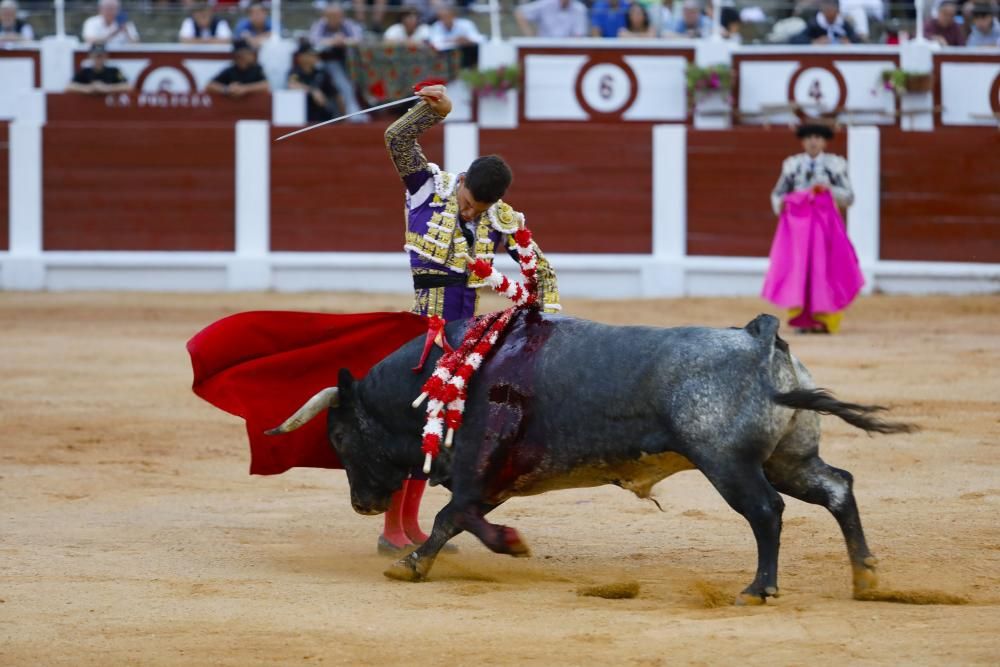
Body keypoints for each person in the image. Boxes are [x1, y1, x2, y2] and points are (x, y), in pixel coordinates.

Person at [380, 84, 559, 554]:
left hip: (467, 329)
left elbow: (537, 266)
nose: (468, 211)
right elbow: (397, 140)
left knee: (444, 427)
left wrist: (541, 306)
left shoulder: (499, 216)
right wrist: (433, 111)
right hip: (422, 323)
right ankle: (391, 527)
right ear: (461, 183)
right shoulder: (426, 187)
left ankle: (414, 523)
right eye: (467, 201)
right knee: (413, 421)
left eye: (477, 209)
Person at [763, 123, 862, 335]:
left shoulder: (835, 165)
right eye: (809, 137)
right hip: (799, 230)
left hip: (826, 228)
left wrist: (828, 190)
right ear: (803, 141)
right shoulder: (792, 165)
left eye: (817, 137)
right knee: (799, 270)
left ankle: (824, 319)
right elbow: (777, 195)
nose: (813, 141)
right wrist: (788, 205)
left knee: (825, 269)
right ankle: (802, 320)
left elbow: (849, 196)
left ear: (825, 141)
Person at [309, 3, 365, 120]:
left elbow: (359, 39)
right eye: (331, 16)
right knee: (343, 83)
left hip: (349, 62)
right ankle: (353, 113)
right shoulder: (320, 24)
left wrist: (344, 41)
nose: (335, 18)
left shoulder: (347, 24)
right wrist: (332, 41)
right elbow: (314, 41)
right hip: (325, 62)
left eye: (337, 15)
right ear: (326, 16)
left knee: (353, 78)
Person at [288, 42, 336, 121]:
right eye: (311, 54)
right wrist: (312, 91)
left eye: (316, 55)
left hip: (324, 118)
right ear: (301, 56)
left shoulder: (322, 73)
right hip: (302, 118)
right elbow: (292, 85)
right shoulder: (295, 72)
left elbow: (334, 94)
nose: (315, 57)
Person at [66, 43, 132, 95]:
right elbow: (69, 87)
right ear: (90, 56)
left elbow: (128, 86)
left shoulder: (115, 71)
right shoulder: (84, 72)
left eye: (101, 56)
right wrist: (89, 88)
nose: (99, 59)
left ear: (106, 56)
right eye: (96, 56)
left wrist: (107, 88)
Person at [791, 0, 861, 43]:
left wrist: (849, 41)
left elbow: (857, 39)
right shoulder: (814, 24)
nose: (829, 14)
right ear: (823, 11)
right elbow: (796, 39)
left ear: (837, 12)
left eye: (832, 12)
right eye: (827, 11)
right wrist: (814, 42)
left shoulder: (844, 24)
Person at [515, 0, 589, 38]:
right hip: (543, 49)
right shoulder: (545, 4)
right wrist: (530, 37)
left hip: (568, 52)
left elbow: (578, 35)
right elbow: (520, 12)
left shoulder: (579, 9)